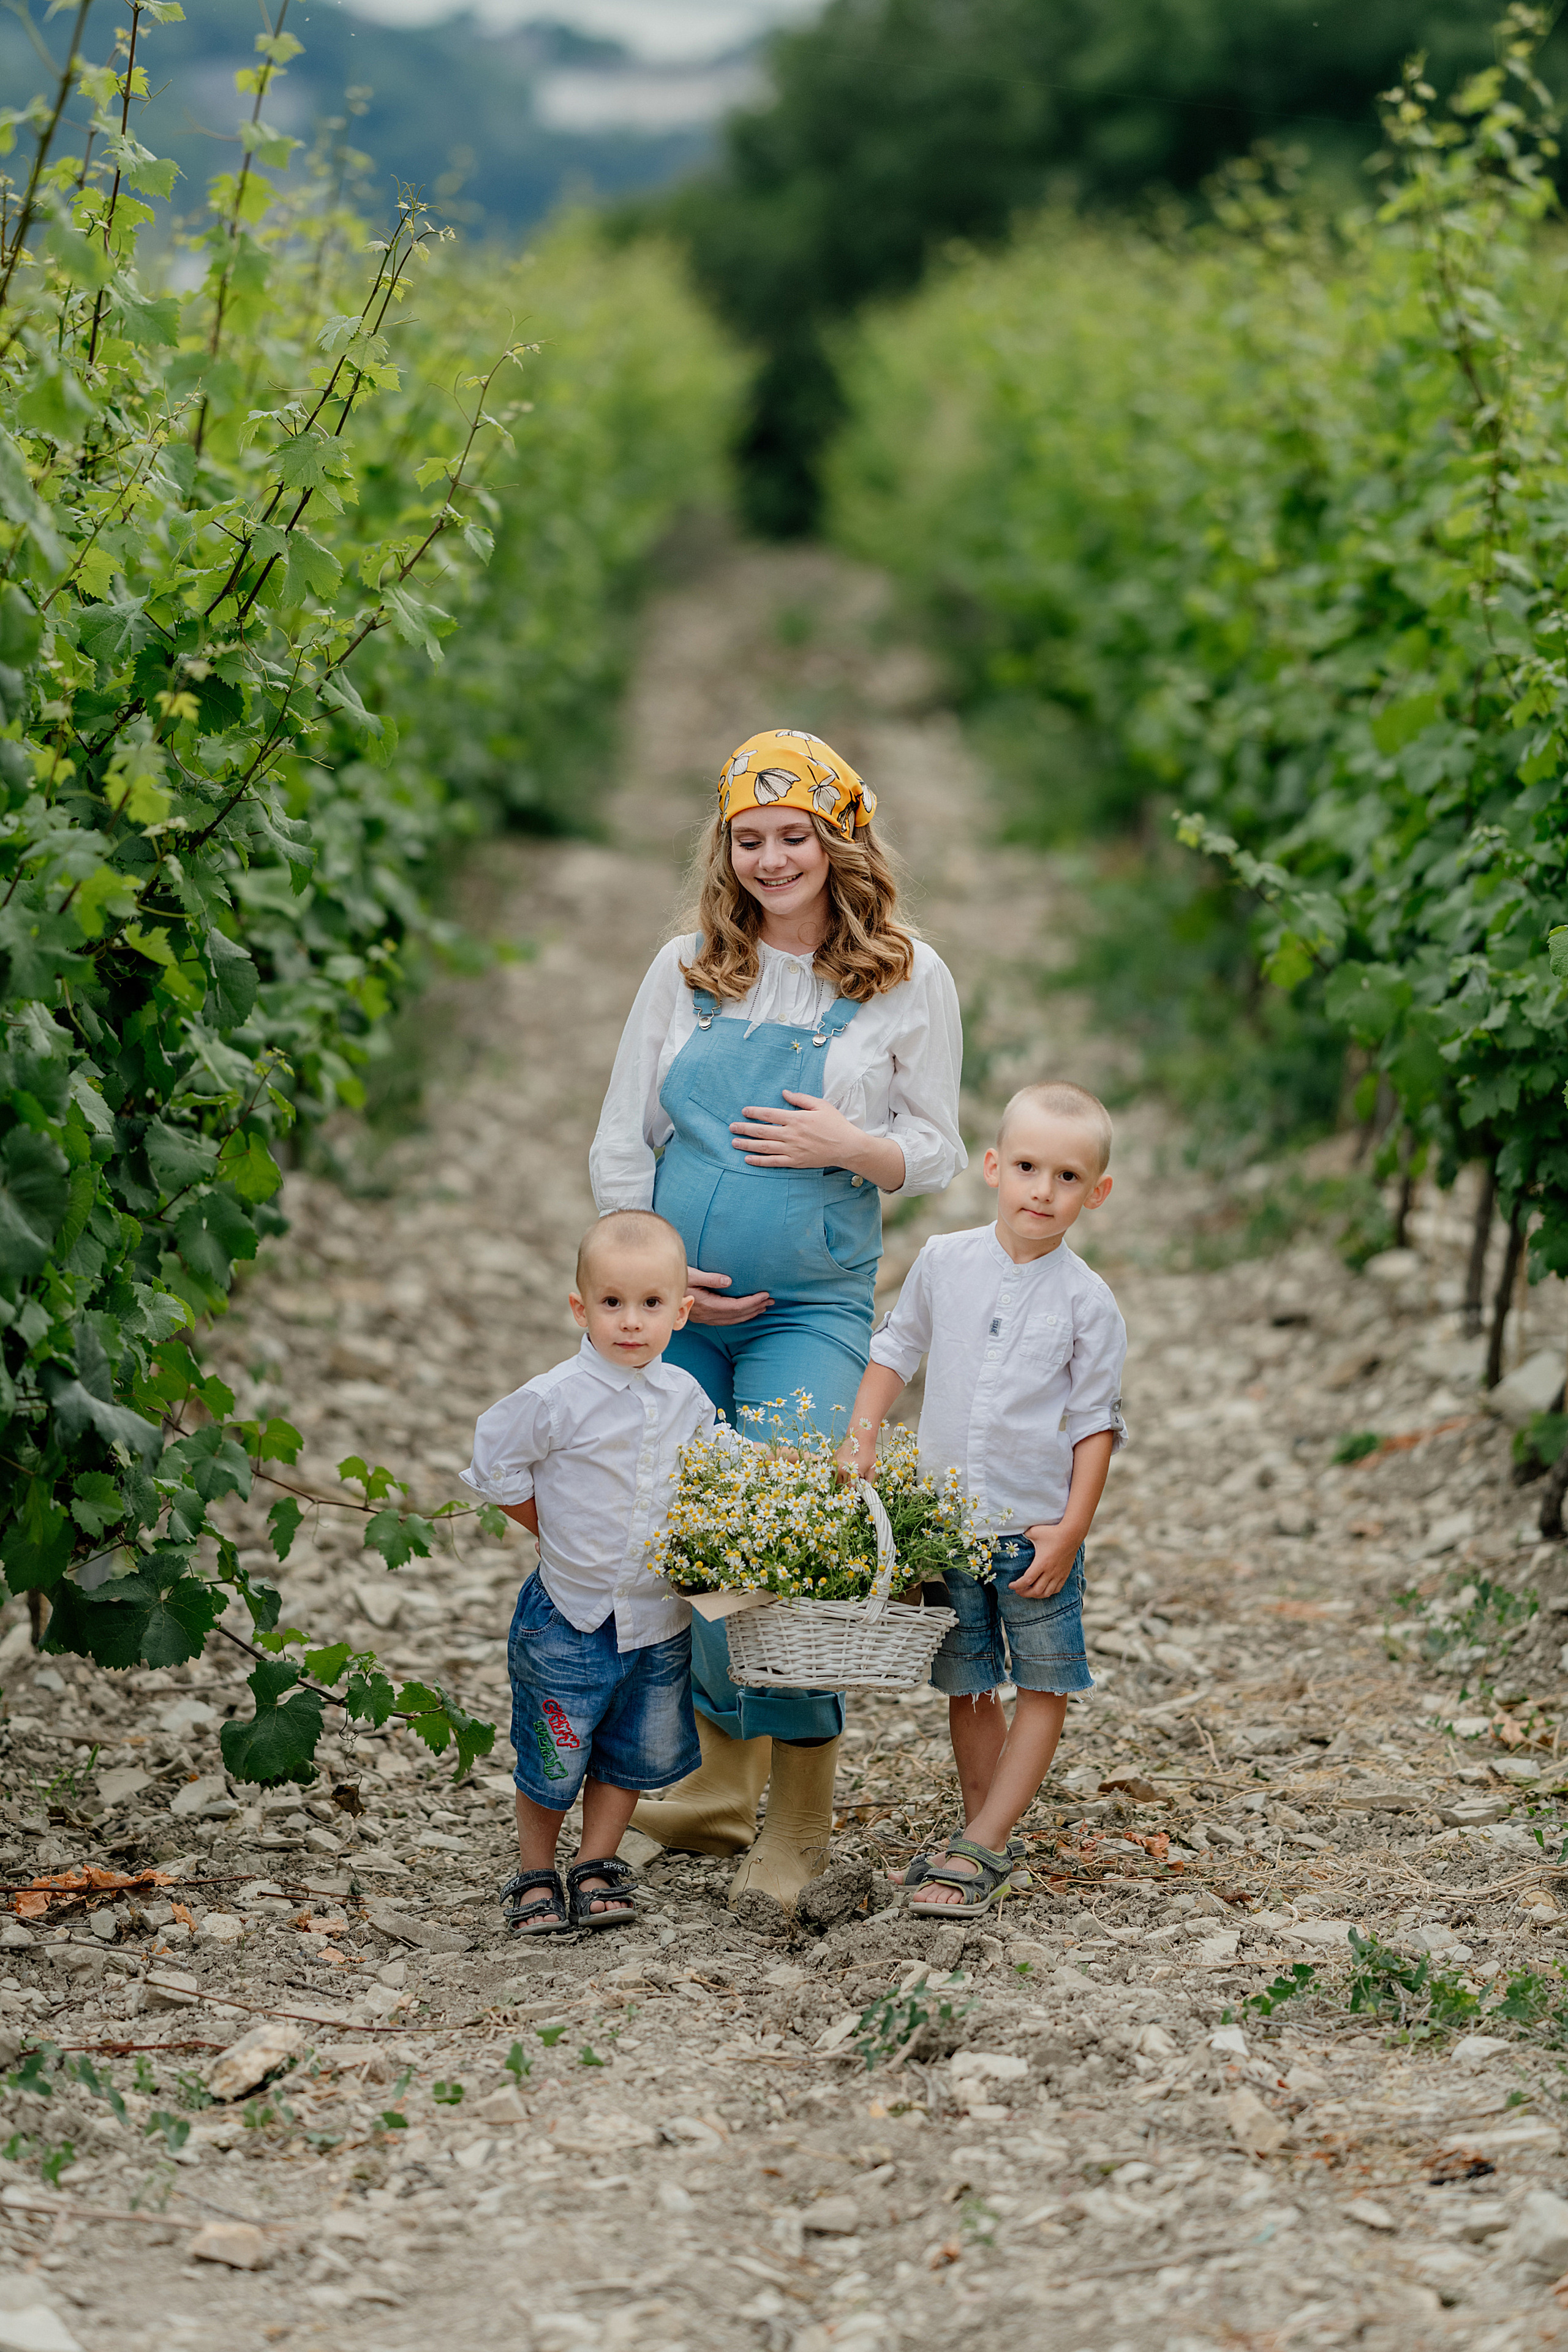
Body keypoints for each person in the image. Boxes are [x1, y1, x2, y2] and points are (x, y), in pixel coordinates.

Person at [590, 727, 965, 1910]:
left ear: (837, 839)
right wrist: (653, 1269)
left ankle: (798, 1822)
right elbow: (620, 1140)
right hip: (677, 1313)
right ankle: (705, 1795)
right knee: (677, 1529)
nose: (768, 859)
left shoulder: (908, 976)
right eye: (747, 840)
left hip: (810, 1305)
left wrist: (853, 1147)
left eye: (792, 836)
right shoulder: (687, 969)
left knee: (787, 1535)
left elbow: (943, 1146)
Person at [840, 1080, 1126, 1917]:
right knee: (968, 1683)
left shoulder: (1088, 1304)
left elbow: (1094, 1425)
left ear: (1096, 1193)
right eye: (1029, 1167)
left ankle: (986, 1841)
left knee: (1043, 1683)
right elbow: (897, 1349)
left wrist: (1070, 1530)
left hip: (1031, 1527)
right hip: (947, 1524)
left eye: (1068, 1177)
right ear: (994, 1167)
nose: (1044, 1190)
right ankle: (979, 1839)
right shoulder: (944, 1262)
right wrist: (864, 1432)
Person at [460, 1210, 729, 1937]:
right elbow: (494, 1465)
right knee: (555, 1751)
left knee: (627, 1751)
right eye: (612, 1303)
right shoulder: (556, 1398)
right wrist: (552, 1529)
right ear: (581, 1308)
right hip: (570, 1616)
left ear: (682, 1310)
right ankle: (536, 1869)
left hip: (656, 1620)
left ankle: (596, 1862)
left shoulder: (687, 1399)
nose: (631, 1322)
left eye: (650, 1305)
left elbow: (713, 1471)